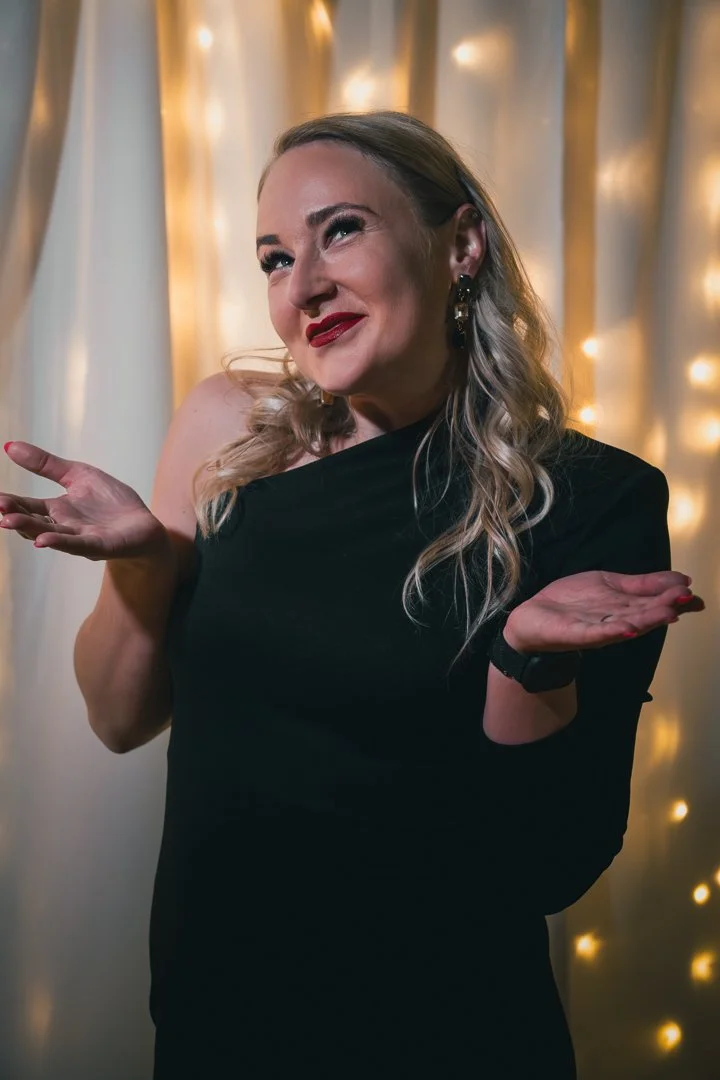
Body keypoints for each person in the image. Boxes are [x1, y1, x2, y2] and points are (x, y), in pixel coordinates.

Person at [0, 111, 705, 1078]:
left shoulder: (590, 497)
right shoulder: (228, 430)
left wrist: (523, 658)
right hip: (219, 1023)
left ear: (460, 244)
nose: (305, 286)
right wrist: (147, 564)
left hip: (448, 1035)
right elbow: (120, 718)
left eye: (341, 230)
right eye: (275, 259)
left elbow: (549, 863)